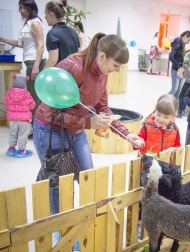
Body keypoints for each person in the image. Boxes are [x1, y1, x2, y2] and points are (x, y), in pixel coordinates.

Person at [33, 33, 144, 216]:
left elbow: (103, 108)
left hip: (76, 131)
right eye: (116, 65)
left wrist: (126, 134)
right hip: (50, 130)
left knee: (88, 176)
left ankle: (81, 221)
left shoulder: (102, 72)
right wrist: (86, 122)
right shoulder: (72, 66)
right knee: (59, 184)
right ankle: (60, 231)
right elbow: (50, 112)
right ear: (102, 56)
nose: (117, 70)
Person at [0, 0, 46, 133]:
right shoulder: (28, 23)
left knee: (34, 96)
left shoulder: (35, 23)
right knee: (33, 94)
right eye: (20, 8)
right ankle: (35, 126)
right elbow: (21, 44)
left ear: (31, 8)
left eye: (24, 8)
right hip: (30, 62)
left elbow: (41, 46)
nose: (22, 10)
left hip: (35, 62)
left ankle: (36, 128)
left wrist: (36, 66)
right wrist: (3, 39)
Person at [4, 74, 35, 158]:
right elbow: (32, 105)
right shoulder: (26, 93)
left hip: (12, 119)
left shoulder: (10, 92)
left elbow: (6, 102)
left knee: (12, 133)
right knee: (23, 135)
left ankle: (11, 149)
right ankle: (21, 151)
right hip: (24, 119)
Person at [43, 1, 80, 68]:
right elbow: (78, 54)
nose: (45, 17)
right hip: (73, 73)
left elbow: (53, 60)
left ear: (51, 14)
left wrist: (43, 74)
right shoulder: (73, 32)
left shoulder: (52, 33)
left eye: (46, 13)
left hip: (60, 74)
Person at [168, 31, 190, 101]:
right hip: (176, 70)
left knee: (178, 90)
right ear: (185, 37)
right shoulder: (177, 44)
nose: (188, 42)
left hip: (180, 69)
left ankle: (174, 108)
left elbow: (179, 56)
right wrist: (179, 67)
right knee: (174, 90)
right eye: (188, 40)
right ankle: (163, 104)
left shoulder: (182, 44)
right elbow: (171, 56)